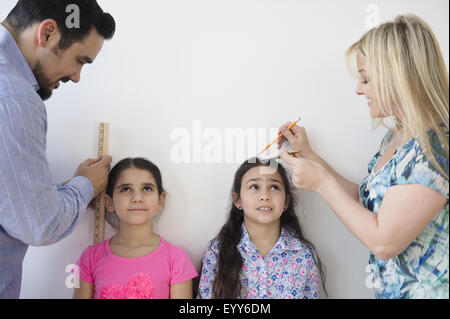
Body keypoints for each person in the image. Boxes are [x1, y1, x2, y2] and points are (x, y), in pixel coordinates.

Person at [279, 15, 448, 299]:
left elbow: (384, 241)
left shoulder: (435, 146)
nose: (359, 89)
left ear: (399, 76)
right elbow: (363, 199)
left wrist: (321, 183)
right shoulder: (397, 139)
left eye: (366, 79)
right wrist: (311, 156)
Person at [0, 0, 115, 298]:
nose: (76, 76)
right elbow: (40, 224)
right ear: (48, 33)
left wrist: (53, 194)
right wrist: (85, 185)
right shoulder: (14, 97)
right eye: (80, 60)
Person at [197, 158, 326, 299]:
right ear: (237, 200)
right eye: (254, 187)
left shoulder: (304, 254)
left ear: (286, 202)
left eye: (274, 187)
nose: (265, 196)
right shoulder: (217, 251)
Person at [73, 158, 198, 299]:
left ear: (160, 200)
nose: (137, 198)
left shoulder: (176, 260)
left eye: (147, 188)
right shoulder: (90, 258)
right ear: (109, 202)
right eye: (126, 189)